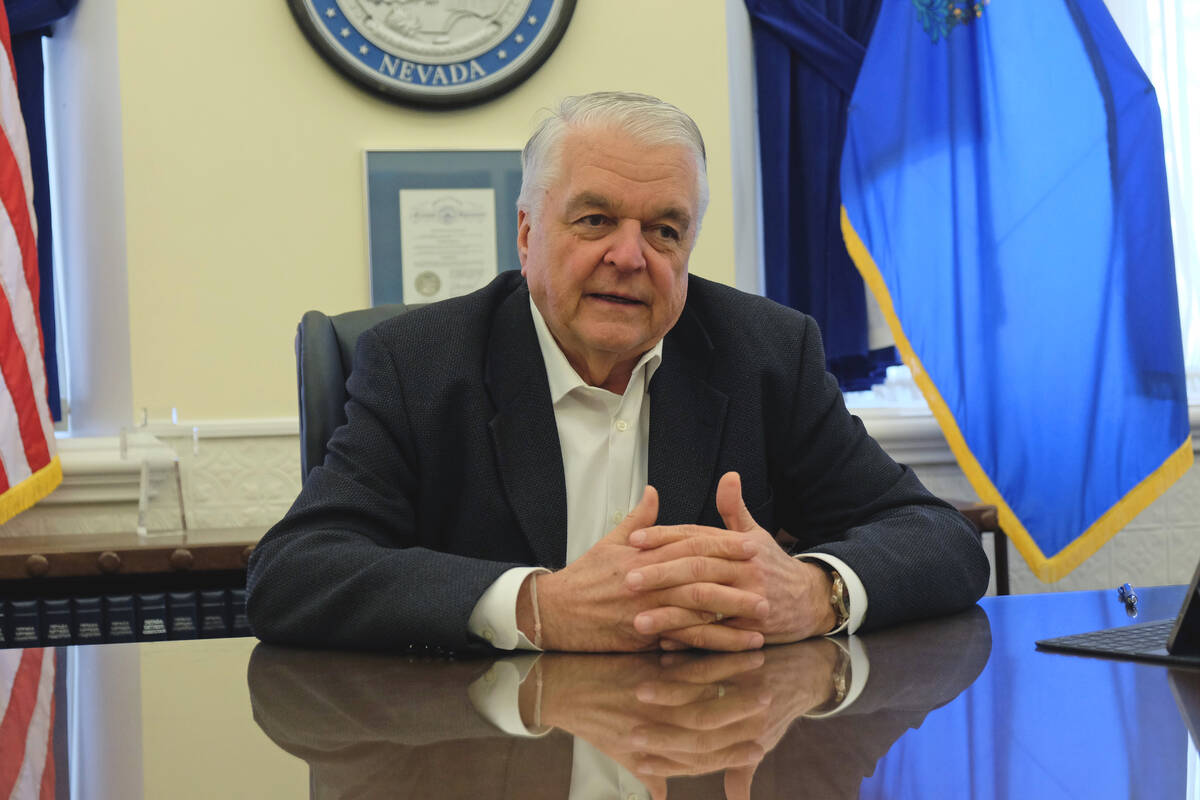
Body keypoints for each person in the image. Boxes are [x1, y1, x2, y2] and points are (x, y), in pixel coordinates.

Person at [246, 91, 989, 653]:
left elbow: (937, 537)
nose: (629, 257)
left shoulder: (764, 352)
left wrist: (816, 592)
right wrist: (536, 607)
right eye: (595, 220)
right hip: (491, 757)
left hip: (707, 750)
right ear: (528, 234)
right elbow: (295, 573)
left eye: (664, 230)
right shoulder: (418, 363)